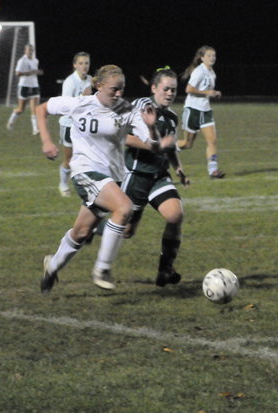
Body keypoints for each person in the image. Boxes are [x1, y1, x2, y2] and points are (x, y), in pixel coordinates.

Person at [37, 65, 174, 293]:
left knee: (82, 231)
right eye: (114, 89)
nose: (118, 94)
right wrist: (46, 141)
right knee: (124, 208)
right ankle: (102, 269)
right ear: (99, 86)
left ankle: (52, 266)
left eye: (122, 89)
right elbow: (42, 109)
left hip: (111, 177)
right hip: (85, 171)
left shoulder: (128, 110)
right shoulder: (80, 104)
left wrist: (151, 128)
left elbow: (152, 144)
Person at [122, 67, 190, 287]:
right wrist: (156, 145)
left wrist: (178, 169)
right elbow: (124, 137)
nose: (170, 94)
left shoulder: (171, 117)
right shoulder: (142, 106)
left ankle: (165, 270)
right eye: (166, 89)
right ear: (153, 88)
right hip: (136, 176)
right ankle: (90, 230)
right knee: (125, 231)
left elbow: (170, 148)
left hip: (159, 176)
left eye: (174, 90)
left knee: (175, 215)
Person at [177, 45, 225, 178]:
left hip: (206, 110)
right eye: (209, 56)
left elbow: (206, 91)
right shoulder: (199, 71)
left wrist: (213, 93)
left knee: (212, 141)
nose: (212, 58)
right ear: (202, 58)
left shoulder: (212, 73)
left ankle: (213, 171)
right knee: (187, 144)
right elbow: (188, 89)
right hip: (193, 109)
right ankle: (165, 148)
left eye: (214, 55)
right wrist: (207, 92)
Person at [57, 51, 92, 197]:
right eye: (81, 63)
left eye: (86, 63)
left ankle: (87, 185)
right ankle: (63, 184)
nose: (84, 66)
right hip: (69, 125)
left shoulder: (90, 80)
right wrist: (82, 97)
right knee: (69, 159)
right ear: (75, 65)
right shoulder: (70, 82)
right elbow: (65, 106)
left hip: (84, 125)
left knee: (87, 156)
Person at [6, 44, 43, 135]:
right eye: (29, 50)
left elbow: (34, 72)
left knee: (34, 109)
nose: (30, 51)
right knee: (21, 109)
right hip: (24, 86)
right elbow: (17, 73)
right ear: (25, 51)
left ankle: (35, 129)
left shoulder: (35, 60)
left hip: (34, 86)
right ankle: (11, 121)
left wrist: (38, 72)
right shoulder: (22, 60)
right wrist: (30, 72)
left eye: (32, 50)